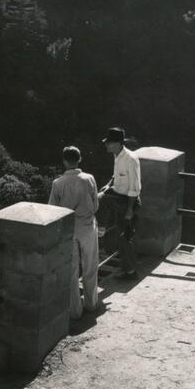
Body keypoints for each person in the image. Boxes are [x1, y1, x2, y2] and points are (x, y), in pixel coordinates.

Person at [48, 146, 99, 320]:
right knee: (90, 266)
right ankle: (91, 304)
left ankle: (75, 311)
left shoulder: (57, 183)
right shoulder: (89, 179)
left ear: (64, 161)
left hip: (69, 230)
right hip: (87, 227)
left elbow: (52, 210)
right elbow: (96, 206)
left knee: (71, 271)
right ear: (80, 159)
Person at [97, 127, 141, 280]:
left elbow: (135, 187)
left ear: (117, 144)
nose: (106, 145)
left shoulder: (130, 159)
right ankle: (128, 270)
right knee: (123, 237)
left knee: (125, 237)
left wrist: (129, 210)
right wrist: (108, 186)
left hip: (128, 202)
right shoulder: (117, 156)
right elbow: (116, 177)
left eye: (108, 143)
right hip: (119, 198)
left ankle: (101, 229)